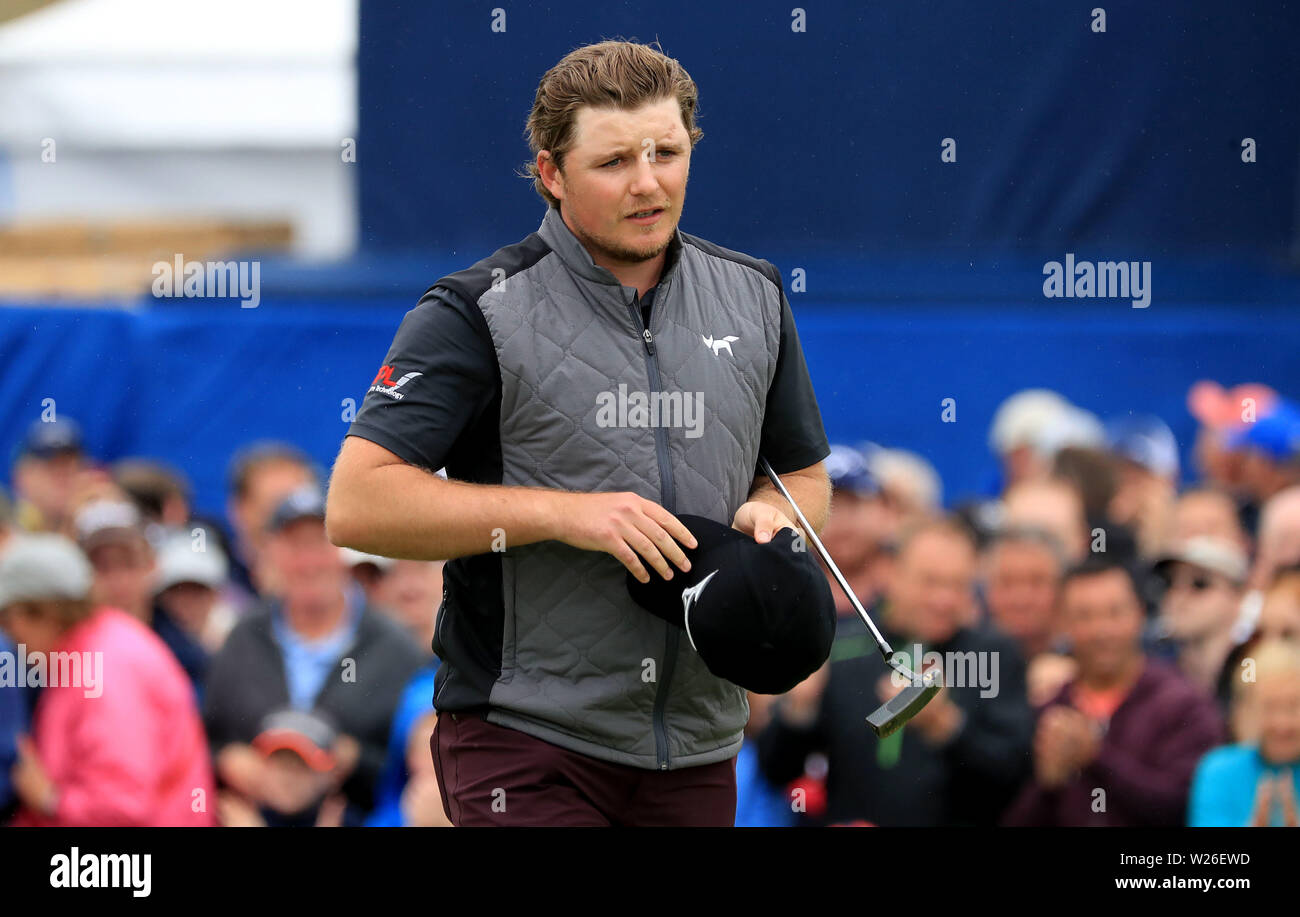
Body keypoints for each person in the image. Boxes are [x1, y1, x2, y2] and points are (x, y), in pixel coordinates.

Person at [326, 40, 831, 827]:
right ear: (551, 173)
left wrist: (778, 512)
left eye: (667, 152)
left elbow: (804, 475)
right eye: (614, 161)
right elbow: (358, 504)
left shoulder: (756, 295)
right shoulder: (472, 311)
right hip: (525, 739)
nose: (647, 181)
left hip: (698, 745)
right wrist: (569, 513)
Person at [756, 518, 1033, 826]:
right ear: (891, 573)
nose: (944, 600)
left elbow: (1013, 778)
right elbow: (775, 771)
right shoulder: (839, 646)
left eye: (957, 585)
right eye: (930, 582)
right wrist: (799, 711)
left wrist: (947, 729)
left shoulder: (992, 654)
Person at [203, 487, 424, 821]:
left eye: (320, 542)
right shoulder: (243, 639)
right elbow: (208, 737)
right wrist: (228, 761)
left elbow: (416, 769)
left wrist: (356, 762)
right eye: (294, 545)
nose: (308, 562)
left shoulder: (395, 649)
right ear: (271, 552)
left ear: (346, 549)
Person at [0, 534, 215, 826]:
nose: (11, 639)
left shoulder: (107, 668)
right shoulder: (90, 649)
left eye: (9, 622)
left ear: (43, 613)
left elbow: (122, 806)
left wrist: (49, 798)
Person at [1003, 556, 1224, 826]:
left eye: (1115, 613)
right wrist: (1048, 785)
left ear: (1140, 614)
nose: (1102, 630)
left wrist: (1096, 757)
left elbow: (1182, 805)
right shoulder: (1047, 711)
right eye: (1085, 616)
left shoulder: (1183, 705)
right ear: (1062, 624)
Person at [1189, 639, 1300, 826]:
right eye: (1270, 707)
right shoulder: (1219, 771)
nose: (1282, 724)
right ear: (1246, 711)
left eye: (1294, 707)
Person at [1148, 536, 1248, 703]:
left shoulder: (1253, 673)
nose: (1178, 596)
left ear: (1238, 596)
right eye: (1168, 582)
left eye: (1200, 584)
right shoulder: (1151, 667)